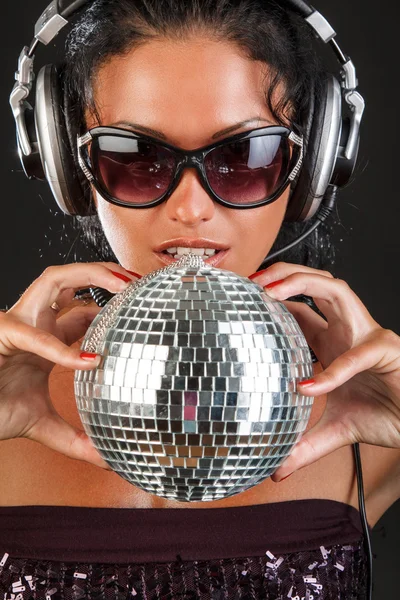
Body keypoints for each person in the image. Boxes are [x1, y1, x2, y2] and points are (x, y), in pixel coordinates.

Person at [0, 0, 399, 598]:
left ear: (310, 167)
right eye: (134, 157)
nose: (190, 209)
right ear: (69, 163)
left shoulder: (369, 417)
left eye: (244, 158)